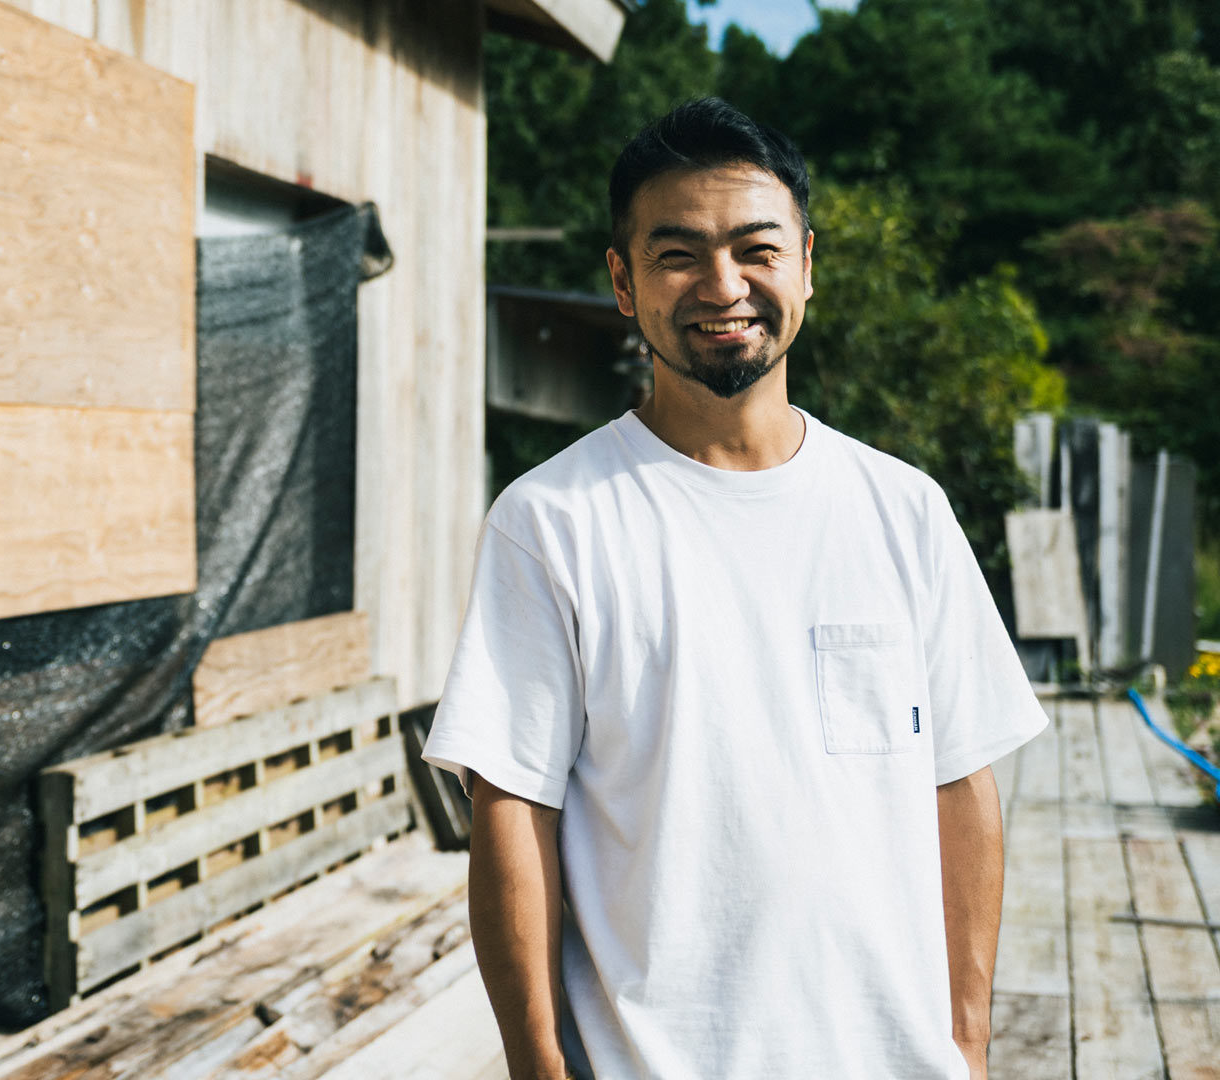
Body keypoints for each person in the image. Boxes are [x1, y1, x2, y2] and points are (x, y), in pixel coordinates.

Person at [420, 98, 1049, 1080]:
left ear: (806, 262)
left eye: (756, 248)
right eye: (678, 254)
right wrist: (539, 1065)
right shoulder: (552, 523)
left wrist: (967, 1045)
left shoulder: (902, 509)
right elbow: (513, 809)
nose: (723, 284)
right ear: (623, 282)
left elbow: (961, 782)